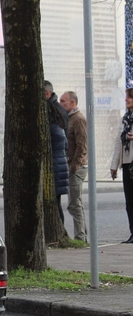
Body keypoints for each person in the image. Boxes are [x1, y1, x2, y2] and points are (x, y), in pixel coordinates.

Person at [60, 91, 88, 241]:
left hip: (77, 167)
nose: (61, 103)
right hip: (71, 165)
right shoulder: (68, 118)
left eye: (63, 101)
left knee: (74, 204)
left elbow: (82, 145)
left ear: (72, 103)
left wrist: (74, 166)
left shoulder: (78, 119)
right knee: (75, 203)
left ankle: (81, 237)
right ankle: (83, 234)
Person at [110, 87, 133, 243]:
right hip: (127, 164)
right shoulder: (125, 118)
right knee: (129, 201)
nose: (126, 99)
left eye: (129, 97)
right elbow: (119, 142)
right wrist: (114, 165)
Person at [44, 81, 69, 223]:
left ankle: (58, 231)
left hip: (55, 163)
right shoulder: (59, 110)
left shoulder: (51, 111)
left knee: (53, 204)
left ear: (47, 93)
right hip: (60, 161)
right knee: (55, 203)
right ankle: (59, 231)